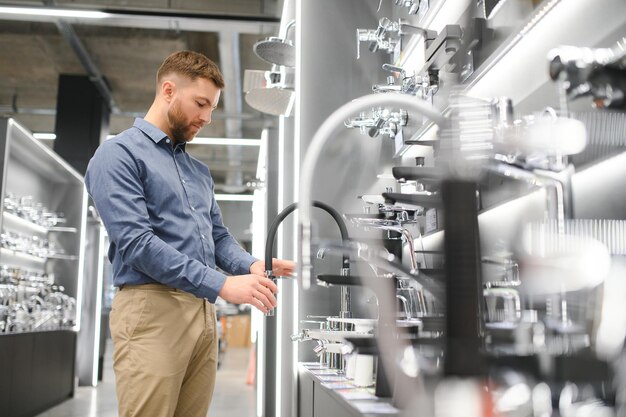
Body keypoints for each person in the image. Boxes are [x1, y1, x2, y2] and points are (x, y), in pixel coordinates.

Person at [85, 50, 294, 417]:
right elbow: (138, 245)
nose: (207, 118)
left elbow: (217, 238)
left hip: (202, 312)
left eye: (212, 107)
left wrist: (251, 265)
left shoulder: (197, 171)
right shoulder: (118, 155)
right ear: (168, 90)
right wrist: (222, 284)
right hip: (151, 309)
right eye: (201, 104)